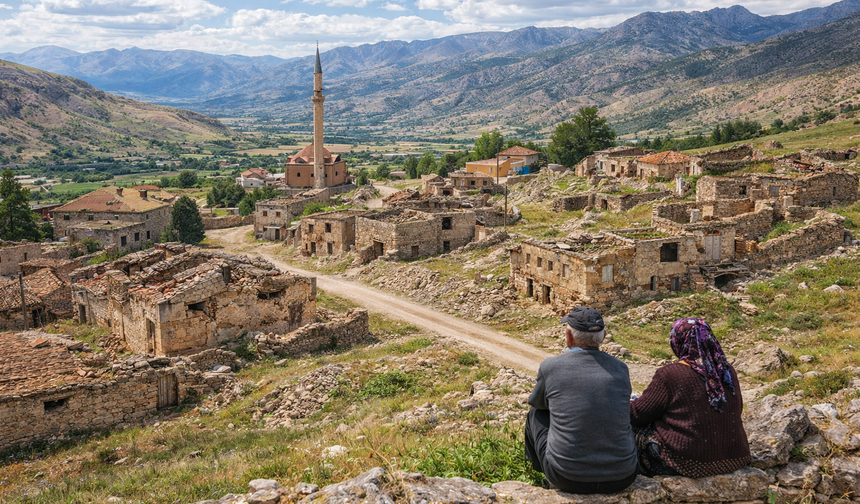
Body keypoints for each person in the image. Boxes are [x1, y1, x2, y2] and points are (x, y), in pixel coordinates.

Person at [525, 306, 638, 494]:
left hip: (567, 477)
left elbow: (537, 403)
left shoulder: (551, 367)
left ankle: (541, 475)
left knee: (536, 414)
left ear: (569, 336)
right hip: (623, 476)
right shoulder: (620, 368)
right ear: (602, 336)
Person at [630, 317, 750, 478]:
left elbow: (638, 414)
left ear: (678, 341)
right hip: (734, 458)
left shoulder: (671, 374)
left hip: (689, 462)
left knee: (632, 430)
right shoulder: (727, 371)